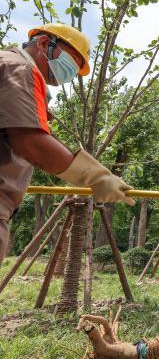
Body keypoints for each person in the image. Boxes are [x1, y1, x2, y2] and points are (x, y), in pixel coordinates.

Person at [0, 23, 135, 265]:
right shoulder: (20, 69)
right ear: (43, 43)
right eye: (71, 61)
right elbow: (31, 143)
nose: (70, 73)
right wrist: (96, 178)